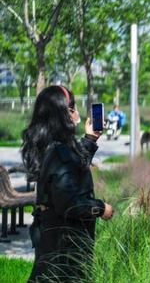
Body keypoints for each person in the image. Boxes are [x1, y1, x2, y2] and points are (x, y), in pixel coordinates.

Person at [22, 85, 114, 282]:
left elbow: (72, 167)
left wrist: (90, 139)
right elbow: (71, 203)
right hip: (64, 243)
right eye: (72, 108)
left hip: (55, 237)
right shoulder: (57, 152)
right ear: (62, 114)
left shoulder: (52, 146)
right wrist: (101, 208)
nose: (76, 113)